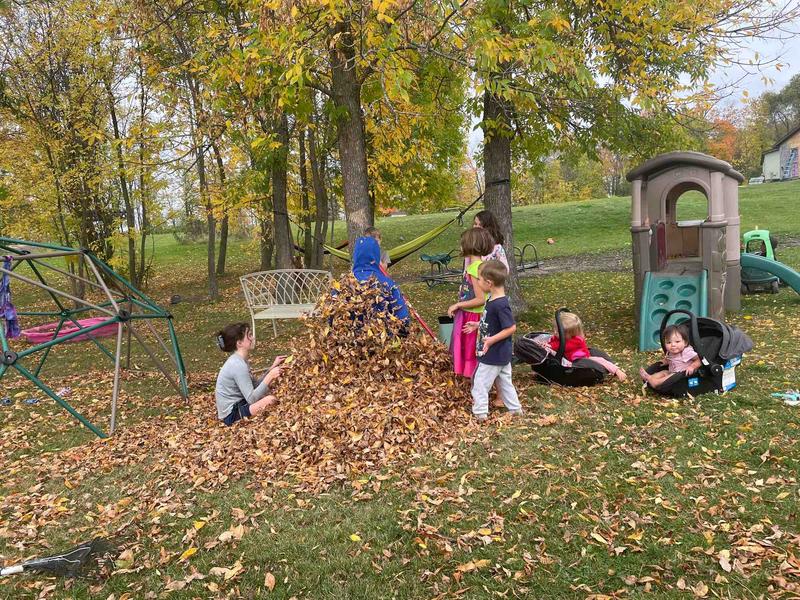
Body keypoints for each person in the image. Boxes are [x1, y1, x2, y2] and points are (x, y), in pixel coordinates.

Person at [462, 260, 522, 420]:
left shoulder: (500, 305)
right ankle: (515, 409)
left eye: (479, 279)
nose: (477, 282)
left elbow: (511, 328)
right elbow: (493, 323)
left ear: (489, 283)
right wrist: (478, 325)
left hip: (493, 353)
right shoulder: (492, 300)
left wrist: (491, 340)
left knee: (480, 383)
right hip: (500, 354)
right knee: (504, 383)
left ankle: (480, 413)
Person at [215, 323, 285, 426]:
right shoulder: (237, 365)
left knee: (272, 390)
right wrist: (270, 376)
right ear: (239, 343)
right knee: (271, 400)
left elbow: (254, 385)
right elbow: (252, 399)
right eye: (249, 335)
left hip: (241, 403)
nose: (253, 338)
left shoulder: (240, 360)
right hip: (232, 415)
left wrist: (272, 368)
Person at [447, 227, 495, 378]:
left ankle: (475, 381)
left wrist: (458, 305)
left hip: (472, 317)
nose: (460, 246)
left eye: (462, 243)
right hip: (471, 314)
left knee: (470, 351)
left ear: (470, 244)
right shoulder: (480, 265)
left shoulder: (475, 269)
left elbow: (480, 299)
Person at [542, 312, 627, 381]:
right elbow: (553, 340)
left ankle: (617, 370)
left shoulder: (576, 341)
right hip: (569, 359)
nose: (555, 332)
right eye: (555, 329)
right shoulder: (560, 337)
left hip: (582, 358)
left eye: (558, 331)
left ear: (571, 334)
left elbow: (562, 346)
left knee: (601, 360)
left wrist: (550, 345)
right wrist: (546, 343)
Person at [351, 236, 410, 327]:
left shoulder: (341, 285)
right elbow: (403, 319)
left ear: (355, 255)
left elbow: (330, 320)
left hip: (347, 335)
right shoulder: (387, 284)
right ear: (376, 256)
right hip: (383, 333)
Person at [639, 324, 701, 388]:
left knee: (672, 375)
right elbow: (670, 360)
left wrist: (692, 367)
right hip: (672, 373)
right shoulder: (670, 352)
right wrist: (664, 362)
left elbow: (699, 360)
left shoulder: (686, 352)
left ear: (685, 343)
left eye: (677, 342)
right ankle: (650, 378)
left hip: (685, 376)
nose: (673, 345)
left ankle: (656, 382)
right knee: (664, 372)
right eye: (669, 342)